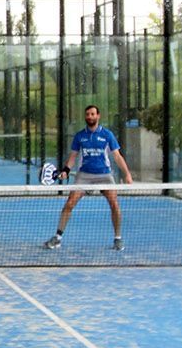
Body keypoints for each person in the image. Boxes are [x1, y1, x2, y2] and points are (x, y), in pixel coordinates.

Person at [45, 104, 133, 251]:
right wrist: (66, 169)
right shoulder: (80, 136)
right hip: (84, 175)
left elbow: (117, 156)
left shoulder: (107, 135)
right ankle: (58, 237)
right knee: (70, 203)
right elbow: (73, 156)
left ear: (98, 116)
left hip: (104, 175)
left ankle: (118, 238)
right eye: (87, 114)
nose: (90, 117)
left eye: (93, 114)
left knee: (114, 204)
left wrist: (127, 174)